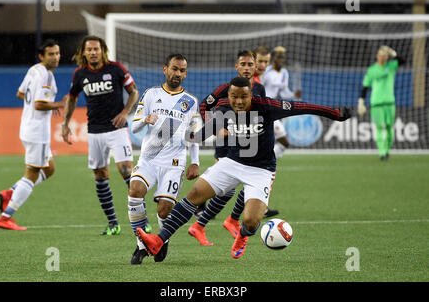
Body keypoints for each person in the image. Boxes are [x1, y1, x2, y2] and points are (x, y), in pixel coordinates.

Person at [136, 76, 351, 260]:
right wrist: (178, 133)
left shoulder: (267, 107)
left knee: (250, 220)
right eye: (234, 96)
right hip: (232, 162)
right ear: (228, 95)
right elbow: (202, 134)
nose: (238, 101)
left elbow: (302, 107)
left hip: (261, 170)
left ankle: (243, 235)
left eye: (243, 97)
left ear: (251, 96)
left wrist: (335, 113)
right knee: (194, 195)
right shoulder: (223, 109)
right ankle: (158, 240)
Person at [188, 50, 270, 246]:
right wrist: (216, 128)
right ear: (237, 66)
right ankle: (203, 224)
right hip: (227, 144)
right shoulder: (225, 89)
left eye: (251, 64)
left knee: (243, 185)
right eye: (243, 64)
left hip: (247, 145)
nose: (248, 68)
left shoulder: (259, 89)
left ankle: (225, 221)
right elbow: (204, 106)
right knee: (228, 189)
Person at [62, 35, 139, 235]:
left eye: (96, 49)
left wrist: (125, 113)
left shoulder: (116, 68)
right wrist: (65, 124)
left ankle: (141, 222)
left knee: (126, 171)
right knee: (100, 175)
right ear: (84, 52)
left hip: (117, 130)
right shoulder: (80, 74)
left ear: (102, 50)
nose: (93, 52)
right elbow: (71, 98)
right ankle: (113, 223)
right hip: (94, 131)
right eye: (89, 49)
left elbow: (134, 92)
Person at [128, 53, 200, 265]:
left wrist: (195, 161)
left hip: (174, 163)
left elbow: (193, 136)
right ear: (165, 69)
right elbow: (134, 125)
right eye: (174, 69)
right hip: (149, 158)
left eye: (182, 70)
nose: (178, 73)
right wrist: (145, 120)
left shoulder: (191, 102)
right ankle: (141, 246)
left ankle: (162, 238)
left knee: (164, 209)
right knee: (134, 192)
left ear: (185, 74)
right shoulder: (151, 94)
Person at [0, 39, 66, 230]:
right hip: (37, 132)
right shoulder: (46, 76)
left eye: (58, 53)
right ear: (42, 56)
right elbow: (39, 104)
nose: (56, 57)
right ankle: (6, 216)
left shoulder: (34, 70)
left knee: (49, 168)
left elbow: (21, 93)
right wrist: (59, 104)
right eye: (51, 54)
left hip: (27, 127)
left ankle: (10, 192)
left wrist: (47, 103)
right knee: (32, 175)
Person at [357, 45, 403, 161]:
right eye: (380, 54)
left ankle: (387, 151)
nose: (382, 57)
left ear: (387, 57)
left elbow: (402, 61)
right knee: (379, 127)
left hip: (389, 103)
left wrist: (393, 52)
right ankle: (382, 153)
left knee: (389, 128)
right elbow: (365, 87)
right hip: (376, 104)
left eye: (384, 55)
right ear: (377, 56)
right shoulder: (371, 70)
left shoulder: (391, 66)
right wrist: (361, 102)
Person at [262, 46, 301, 159]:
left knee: (284, 143)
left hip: (273, 110)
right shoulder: (266, 72)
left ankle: (265, 161)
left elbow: (284, 92)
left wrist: (294, 95)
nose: (281, 60)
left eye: (282, 57)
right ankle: (263, 162)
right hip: (263, 109)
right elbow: (257, 87)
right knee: (280, 142)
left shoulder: (284, 73)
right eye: (278, 57)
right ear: (273, 58)